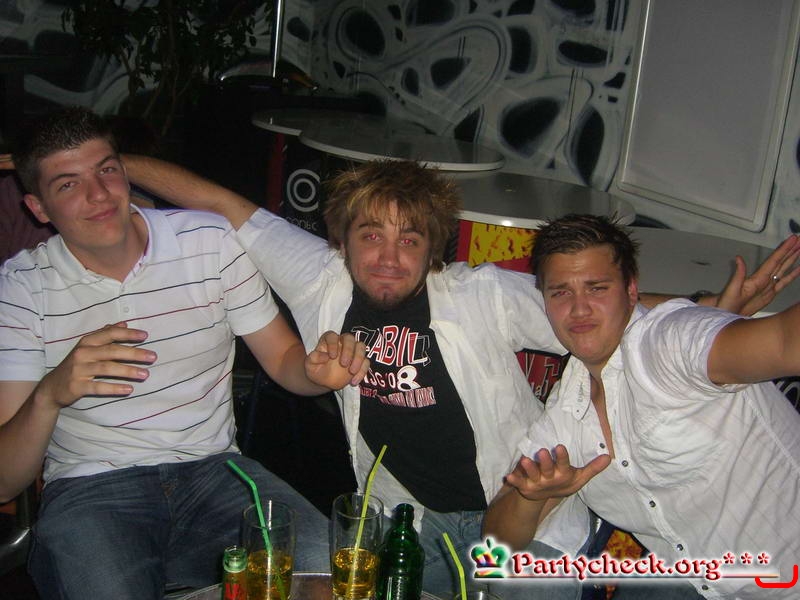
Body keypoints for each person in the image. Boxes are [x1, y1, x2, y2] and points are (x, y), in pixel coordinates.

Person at [121, 155, 799, 600]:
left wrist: (705, 310)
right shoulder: (316, 279)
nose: (389, 257)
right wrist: (102, 168)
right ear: (342, 240)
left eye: (410, 239)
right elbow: (222, 203)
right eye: (371, 236)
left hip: (525, 519)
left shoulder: (481, 295)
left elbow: (588, 307)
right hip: (408, 523)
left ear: (433, 249)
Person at [0, 107, 369, 600]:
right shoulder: (21, 287)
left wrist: (315, 371)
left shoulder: (208, 241)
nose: (99, 194)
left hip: (215, 472)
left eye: (106, 170)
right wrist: (50, 393)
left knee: (330, 578)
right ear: (38, 207)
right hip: (93, 490)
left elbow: (283, 360)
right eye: (68, 184)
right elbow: (6, 482)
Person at [483, 214, 800, 599]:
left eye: (597, 288)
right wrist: (530, 497)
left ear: (632, 290)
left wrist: (716, 315)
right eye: (561, 293)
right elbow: (497, 541)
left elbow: (785, 342)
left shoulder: (668, 342)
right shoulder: (568, 409)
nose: (579, 309)